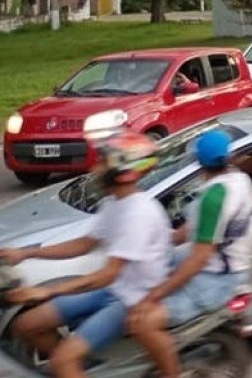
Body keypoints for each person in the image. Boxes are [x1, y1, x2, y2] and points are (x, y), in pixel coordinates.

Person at [1, 132, 170, 378]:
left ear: (122, 172)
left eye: (102, 162)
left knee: (62, 362)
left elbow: (108, 275)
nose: (95, 168)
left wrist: (47, 291)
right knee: (25, 326)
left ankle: (70, 364)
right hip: (113, 290)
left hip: (132, 300)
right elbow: (83, 244)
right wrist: (25, 253)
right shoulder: (114, 203)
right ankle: (85, 368)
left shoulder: (139, 214)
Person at [128, 128, 252, 378]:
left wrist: (156, 295)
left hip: (214, 279)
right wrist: (163, 239)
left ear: (199, 161)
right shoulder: (240, 180)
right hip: (219, 266)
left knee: (142, 322)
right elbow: (193, 228)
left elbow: (200, 258)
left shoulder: (215, 196)